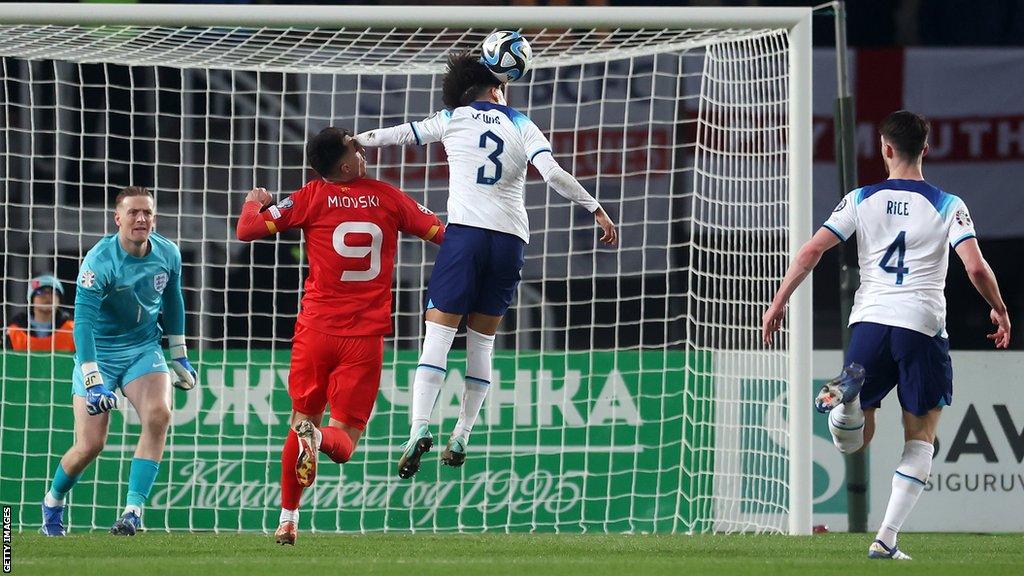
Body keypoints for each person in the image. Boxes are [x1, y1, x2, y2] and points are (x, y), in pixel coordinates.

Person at [762, 110, 1011, 560]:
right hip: (921, 325)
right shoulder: (948, 203)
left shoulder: (861, 198)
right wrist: (999, 308)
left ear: (886, 149)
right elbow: (974, 266)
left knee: (855, 440)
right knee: (921, 437)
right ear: (926, 149)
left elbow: (812, 249)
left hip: (870, 323)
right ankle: (886, 537)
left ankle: (851, 399)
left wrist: (779, 302)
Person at [356, 52, 618, 478]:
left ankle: (419, 428)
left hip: (466, 237)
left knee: (438, 336)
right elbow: (552, 175)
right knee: (482, 344)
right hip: (511, 241)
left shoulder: (453, 117)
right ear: (499, 85)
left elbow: (399, 135)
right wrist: (596, 209)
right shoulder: (521, 122)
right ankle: (462, 432)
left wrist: (358, 141)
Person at [235, 127, 445, 545]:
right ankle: (317, 440)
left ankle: (287, 519)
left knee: (300, 424)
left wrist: (254, 201)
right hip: (363, 340)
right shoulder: (387, 197)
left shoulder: (311, 196)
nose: (362, 149)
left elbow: (247, 231)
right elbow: (443, 236)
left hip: (315, 331)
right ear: (347, 164)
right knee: (345, 442)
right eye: (355, 146)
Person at [40, 186, 197, 537]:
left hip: (143, 348)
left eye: (147, 213)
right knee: (90, 445)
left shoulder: (168, 253)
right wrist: (93, 378)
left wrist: (179, 354)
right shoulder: (99, 261)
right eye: (133, 213)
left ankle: (132, 512)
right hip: (99, 353)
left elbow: (173, 301)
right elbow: (82, 323)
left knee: (159, 414)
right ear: (118, 219)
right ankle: (52, 501)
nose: (141, 218)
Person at [6, 274, 75, 352]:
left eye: (53, 292)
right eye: (40, 292)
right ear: (31, 299)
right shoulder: (13, 332)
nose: (48, 296)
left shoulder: (73, 330)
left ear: (59, 299)